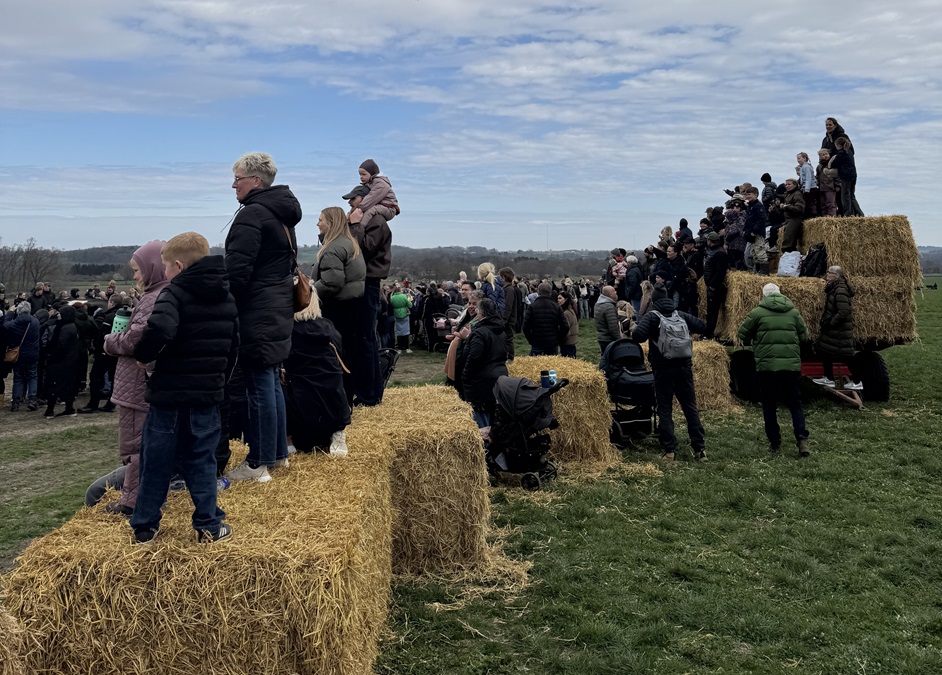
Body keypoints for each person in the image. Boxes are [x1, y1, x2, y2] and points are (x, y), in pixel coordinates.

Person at [130, 232, 237, 544]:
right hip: (206, 396)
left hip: (169, 396)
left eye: (165, 266)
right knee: (203, 460)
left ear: (177, 265)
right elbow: (233, 348)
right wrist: (219, 382)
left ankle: (145, 527)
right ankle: (209, 525)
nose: (164, 272)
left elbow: (160, 328)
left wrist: (143, 357)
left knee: (156, 461)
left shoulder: (173, 295)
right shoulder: (227, 298)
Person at [224, 152, 301, 482]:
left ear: (255, 181)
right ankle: (278, 455)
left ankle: (259, 463)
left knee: (259, 385)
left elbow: (237, 273)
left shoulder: (252, 216)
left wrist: (224, 304)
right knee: (270, 381)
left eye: (238, 179)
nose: (233, 185)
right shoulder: (281, 214)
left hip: (257, 310)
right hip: (278, 306)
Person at [101, 240, 169, 517]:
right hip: (145, 383)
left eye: (137, 270)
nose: (134, 276)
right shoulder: (162, 294)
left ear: (152, 268)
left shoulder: (153, 299)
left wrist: (109, 341)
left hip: (135, 386)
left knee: (134, 447)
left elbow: (135, 340)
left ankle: (132, 502)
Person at [632, 284, 708, 462]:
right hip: (684, 368)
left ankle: (670, 451)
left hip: (663, 369)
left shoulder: (653, 316)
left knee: (665, 410)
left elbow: (637, 336)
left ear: (654, 300)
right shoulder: (679, 314)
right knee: (690, 407)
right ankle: (699, 449)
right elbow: (702, 326)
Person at [737, 283, 810, 457]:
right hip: (790, 366)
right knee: (795, 403)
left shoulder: (757, 313)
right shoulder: (793, 312)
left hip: (767, 366)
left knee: (769, 404)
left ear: (763, 296)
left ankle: (775, 443)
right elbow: (804, 335)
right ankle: (801, 439)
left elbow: (742, 334)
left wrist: (755, 340)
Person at [283, 288, 350, 456]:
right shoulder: (328, 327)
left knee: (272, 381)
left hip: (299, 416)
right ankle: (338, 435)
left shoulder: (286, 331)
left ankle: (287, 440)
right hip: (332, 413)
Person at [344, 182, 392, 406]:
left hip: (369, 283)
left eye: (352, 200)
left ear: (363, 200)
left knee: (365, 340)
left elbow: (362, 250)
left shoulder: (377, 222)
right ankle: (370, 393)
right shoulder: (368, 221)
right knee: (364, 339)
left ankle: (369, 395)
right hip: (366, 282)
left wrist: (354, 226)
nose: (350, 204)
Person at [312, 206, 366, 402]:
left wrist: (309, 292)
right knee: (349, 353)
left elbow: (332, 282)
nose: (317, 223)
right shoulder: (349, 243)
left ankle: (338, 399)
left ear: (331, 223)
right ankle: (347, 396)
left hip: (338, 307)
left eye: (320, 220)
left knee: (336, 354)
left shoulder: (334, 247)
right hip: (352, 304)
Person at [457, 298, 508, 429]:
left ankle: (485, 447)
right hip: (499, 377)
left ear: (482, 313)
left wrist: (465, 375)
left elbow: (475, 357)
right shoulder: (500, 330)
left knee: (481, 421)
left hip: (481, 382)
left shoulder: (480, 332)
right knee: (494, 416)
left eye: (478, 309)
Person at [813, 266, 862, 390]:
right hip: (834, 329)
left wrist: (831, 323)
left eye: (830, 272)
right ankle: (828, 378)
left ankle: (857, 382)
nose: (827, 274)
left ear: (837, 276)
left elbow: (844, 311)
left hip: (840, 330)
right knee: (824, 351)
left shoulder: (840, 290)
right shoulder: (834, 287)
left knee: (846, 355)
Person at [42, 304, 82, 418]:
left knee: (54, 385)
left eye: (60, 313)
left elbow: (61, 346)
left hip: (60, 362)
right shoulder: (71, 326)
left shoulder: (65, 328)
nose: (58, 315)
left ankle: (50, 410)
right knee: (68, 385)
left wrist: (51, 356)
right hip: (70, 361)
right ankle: (69, 408)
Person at [3, 302, 41, 411]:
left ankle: (16, 402)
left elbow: (5, 324)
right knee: (33, 377)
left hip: (18, 355)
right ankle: (32, 400)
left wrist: (10, 312)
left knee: (18, 378)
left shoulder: (13, 324)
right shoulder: (35, 322)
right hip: (32, 354)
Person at [350, 159, 400, 226]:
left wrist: (359, 209)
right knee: (366, 210)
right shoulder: (371, 183)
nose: (361, 177)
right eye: (360, 175)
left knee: (370, 211)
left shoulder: (380, 184)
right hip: (382, 206)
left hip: (389, 209)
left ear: (372, 173)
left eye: (364, 174)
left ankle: (360, 227)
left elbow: (371, 198)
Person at [523, 282, 569, 356]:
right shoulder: (556, 307)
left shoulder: (532, 307)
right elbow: (565, 326)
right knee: (551, 366)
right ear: (550, 293)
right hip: (552, 343)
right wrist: (558, 339)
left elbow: (526, 327)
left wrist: (531, 340)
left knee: (537, 366)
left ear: (538, 291)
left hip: (537, 342)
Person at [828, 136, 864, 217]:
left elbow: (833, 164)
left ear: (838, 145)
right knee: (851, 195)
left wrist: (833, 159)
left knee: (845, 195)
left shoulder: (841, 153)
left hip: (845, 176)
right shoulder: (849, 152)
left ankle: (848, 213)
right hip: (853, 175)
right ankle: (859, 213)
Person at [702, 232, 728, 339]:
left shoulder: (719, 253)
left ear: (710, 241)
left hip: (715, 287)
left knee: (712, 311)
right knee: (711, 311)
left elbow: (720, 272)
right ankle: (708, 332)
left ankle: (709, 333)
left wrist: (712, 284)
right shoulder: (715, 252)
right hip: (712, 285)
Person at [498, 267, 519, 360]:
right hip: (506, 319)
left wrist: (504, 320)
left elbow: (508, 307)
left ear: (503, 277)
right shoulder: (506, 288)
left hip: (508, 320)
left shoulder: (509, 290)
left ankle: (510, 358)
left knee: (508, 339)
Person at [780, 178, 805, 253]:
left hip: (794, 219)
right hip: (788, 220)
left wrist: (786, 207)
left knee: (788, 243)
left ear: (795, 185)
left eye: (789, 184)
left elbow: (800, 208)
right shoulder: (788, 194)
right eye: (786, 184)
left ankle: (789, 260)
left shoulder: (797, 194)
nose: (787, 186)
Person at [594, 285, 621, 356]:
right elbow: (613, 327)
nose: (616, 292)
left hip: (601, 337)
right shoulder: (609, 307)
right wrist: (619, 340)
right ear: (610, 294)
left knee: (604, 357)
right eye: (614, 291)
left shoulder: (598, 304)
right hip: (608, 339)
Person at [390, 286, 413, 352]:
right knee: (406, 331)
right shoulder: (404, 296)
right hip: (405, 313)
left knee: (399, 331)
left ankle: (399, 347)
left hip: (396, 314)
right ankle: (407, 347)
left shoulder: (392, 297)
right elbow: (410, 305)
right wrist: (409, 298)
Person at [796, 152, 818, 218]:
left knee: (809, 203)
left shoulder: (806, 167)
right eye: (797, 159)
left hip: (810, 188)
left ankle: (812, 216)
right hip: (807, 188)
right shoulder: (803, 167)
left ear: (805, 158)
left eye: (799, 158)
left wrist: (807, 189)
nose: (798, 160)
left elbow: (808, 178)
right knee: (807, 203)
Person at [558, 291, 579, 358]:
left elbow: (566, 329)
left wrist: (561, 339)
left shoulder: (566, 313)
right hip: (572, 342)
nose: (558, 300)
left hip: (567, 343)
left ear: (566, 299)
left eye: (560, 298)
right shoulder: (571, 310)